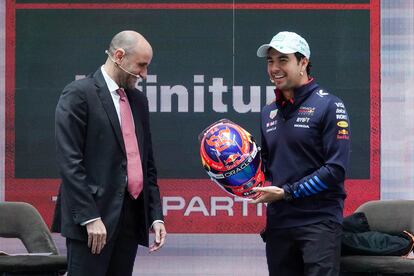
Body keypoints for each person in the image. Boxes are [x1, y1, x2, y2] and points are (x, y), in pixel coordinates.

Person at [52, 30, 166, 275]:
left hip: (129, 218)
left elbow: (146, 163)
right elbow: (70, 163)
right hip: (93, 221)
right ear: (119, 56)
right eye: (141, 65)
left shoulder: (138, 101)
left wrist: (156, 216)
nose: (144, 74)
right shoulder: (78, 94)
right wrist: (89, 217)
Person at [251, 31, 351, 276]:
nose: (274, 68)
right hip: (279, 224)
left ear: (303, 62)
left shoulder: (329, 105)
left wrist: (287, 192)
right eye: (270, 61)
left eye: (283, 60)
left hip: (319, 223)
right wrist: (237, 169)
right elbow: (266, 166)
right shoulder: (268, 112)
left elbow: (335, 170)